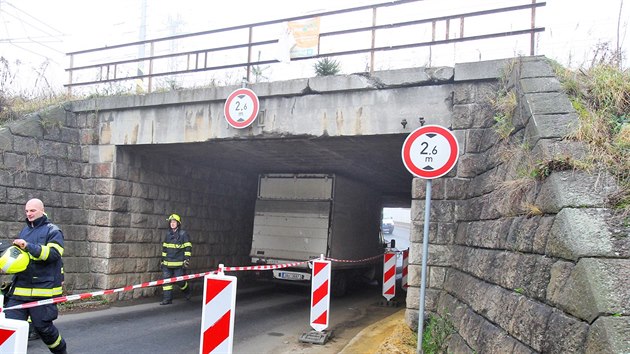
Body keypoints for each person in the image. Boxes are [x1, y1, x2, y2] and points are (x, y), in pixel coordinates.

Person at [5, 198, 67, 354]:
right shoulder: (25, 231)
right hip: (20, 290)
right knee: (10, 326)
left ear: (42, 210)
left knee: (44, 329)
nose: (29, 214)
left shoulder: (53, 231)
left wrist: (28, 246)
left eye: (32, 210)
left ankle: (61, 351)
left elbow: (54, 254)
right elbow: (21, 258)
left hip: (43, 291)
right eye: (26, 211)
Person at [160, 213, 192, 305]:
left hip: (178, 264)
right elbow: (165, 248)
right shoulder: (167, 234)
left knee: (180, 281)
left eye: (174, 222)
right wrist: (162, 260)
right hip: (167, 263)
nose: (172, 223)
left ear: (178, 223)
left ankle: (187, 292)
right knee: (166, 282)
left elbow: (188, 247)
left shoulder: (183, 234)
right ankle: (167, 299)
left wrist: (186, 259)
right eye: (171, 222)